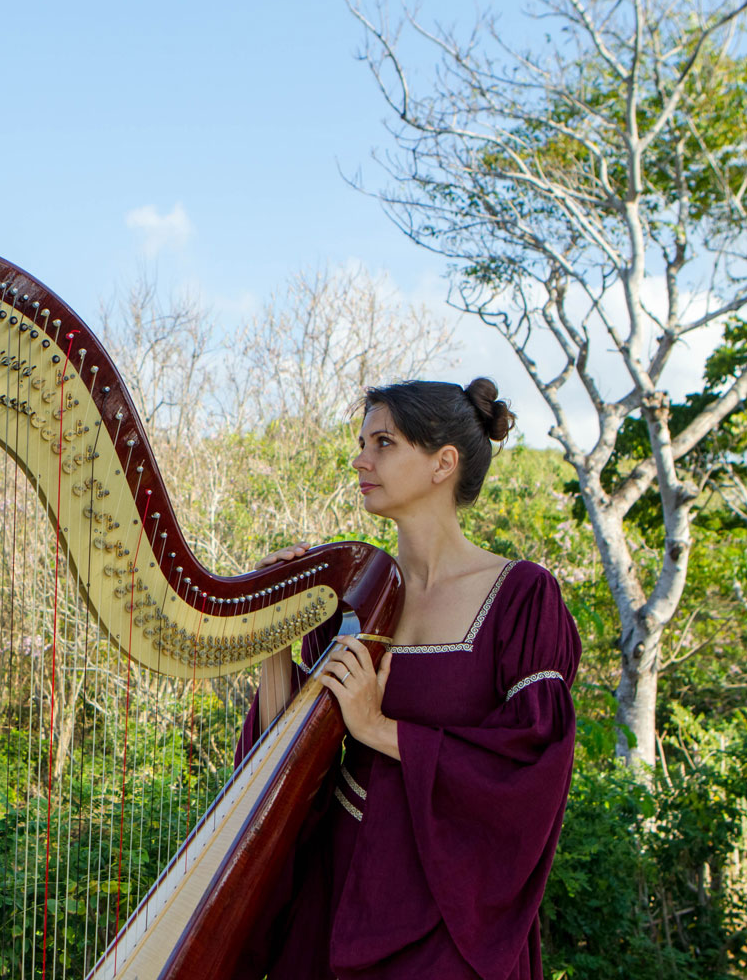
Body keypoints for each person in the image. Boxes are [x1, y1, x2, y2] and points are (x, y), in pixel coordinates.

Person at [234, 378, 581, 980]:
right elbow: (278, 759)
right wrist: (275, 633)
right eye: (362, 441)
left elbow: (532, 766)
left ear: (443, 463)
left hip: (449, 920)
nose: (359, 459)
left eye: (384, 442)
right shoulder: (351, 595)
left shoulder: (522, 596)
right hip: (335, 897)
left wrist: (376, 726)